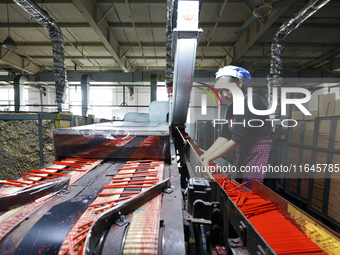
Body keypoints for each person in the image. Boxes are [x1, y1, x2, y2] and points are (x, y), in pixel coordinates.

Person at [200, 65, 277, 190]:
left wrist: (209, 159)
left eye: (228, 89)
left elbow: (237, 139)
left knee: (257, 196)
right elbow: (225, 135)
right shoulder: (232, 107)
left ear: (240, 83)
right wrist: (204, 156)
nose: (224, 94)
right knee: (243, 189)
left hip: (262, 158)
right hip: (246, 156)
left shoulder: (251, 102)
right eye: (220, 91)